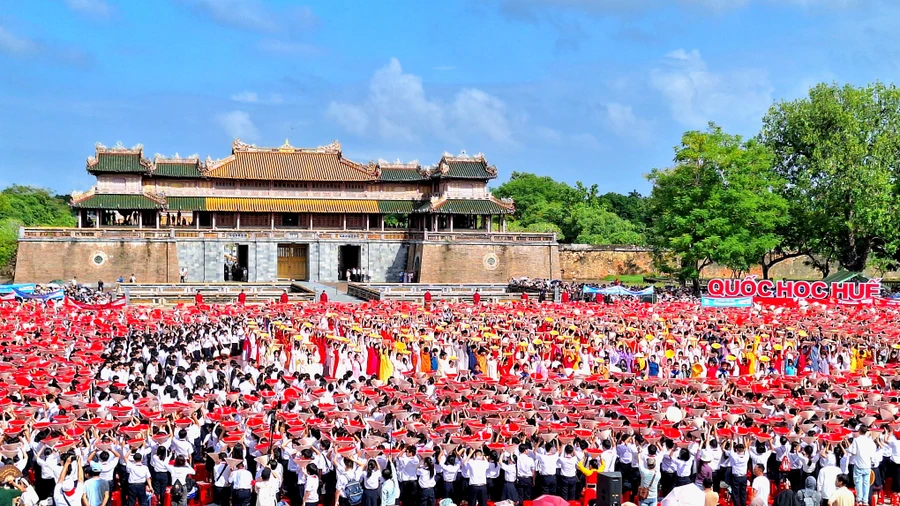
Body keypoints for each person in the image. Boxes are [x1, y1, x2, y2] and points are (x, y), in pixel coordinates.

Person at [848, 427, 876, 506]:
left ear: (860, 431)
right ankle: (865, 501)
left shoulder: (856, 440)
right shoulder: (870, 441)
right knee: (866, 484)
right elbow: (873, 452)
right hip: (867, 465)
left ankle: (859, 500)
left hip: (858, 465)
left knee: (858, 483)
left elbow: (853, 452)